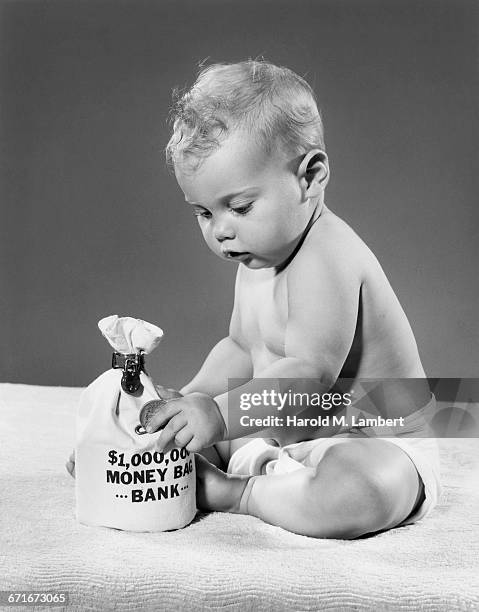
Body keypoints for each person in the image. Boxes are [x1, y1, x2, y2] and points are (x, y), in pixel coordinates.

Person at [68, 60, 441, 539]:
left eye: (240, 207)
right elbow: (242, 348)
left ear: (310, 177)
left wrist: (220, 415)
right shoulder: (259, 255)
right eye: (203, 212)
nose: (221, 230)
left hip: (372, 438)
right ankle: (141, 458)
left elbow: (309, 377)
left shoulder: (326, 255)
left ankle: (237, 493)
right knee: (173, 446)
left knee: (360, 491)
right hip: (284, 432)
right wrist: (189, 403)